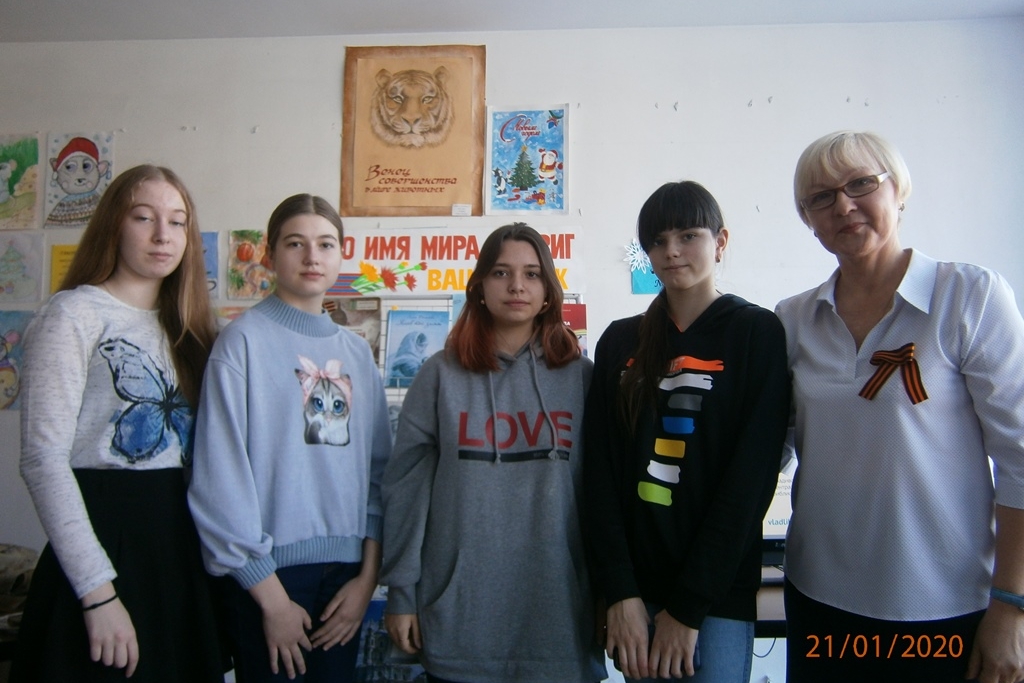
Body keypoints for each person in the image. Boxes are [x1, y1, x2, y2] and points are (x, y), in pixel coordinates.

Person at [776, 130, 1024, 683]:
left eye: (861, 184)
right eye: (821, 198)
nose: (844, 206)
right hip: (820, 597)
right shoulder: (793, 319)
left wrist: (1012, 604)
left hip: (945, 605)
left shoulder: (969, 297)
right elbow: (771, 445)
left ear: (899, 190)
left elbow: (1021, 462)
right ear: (808, 219)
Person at [13, 165, 224, 681]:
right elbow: (42, 460)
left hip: (182, 547)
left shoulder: (195, 329)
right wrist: (97, 594)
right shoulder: (73, 315)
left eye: (178, 222)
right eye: (144, 217)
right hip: (104, 543)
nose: (163, 235)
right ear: (114, 224)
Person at [381, 223, 606, 683]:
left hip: (559, 623)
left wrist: (610, 595)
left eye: (531, 274)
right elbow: (407, 491)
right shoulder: (438, 376)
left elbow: (602, 501)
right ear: (480, 287)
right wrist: (401, 593)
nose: (517, 285)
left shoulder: (582, 378)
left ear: (548, 291)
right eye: (501, 272)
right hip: (458, 623)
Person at [584, 181, 790, 683]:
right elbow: (599, 475)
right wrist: (620, 591)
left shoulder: (756, 332)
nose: (671, 251)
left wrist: (688, 607)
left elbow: (750, 481)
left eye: (688, 235)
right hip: (634, 596)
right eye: (657, 241)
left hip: (714, 598)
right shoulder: (620, 340)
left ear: (721, 241)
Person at [188, 194, 391, 682]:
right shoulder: (242, 342)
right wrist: (270, 597)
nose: (312, 256)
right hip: (268, 577)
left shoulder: (357, 354)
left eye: (326, 244)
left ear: (342, 254)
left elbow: (379, 475)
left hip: (347, 576)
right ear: (269, 254)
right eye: (296, 243)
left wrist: (367, 578)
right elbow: (218, 477)